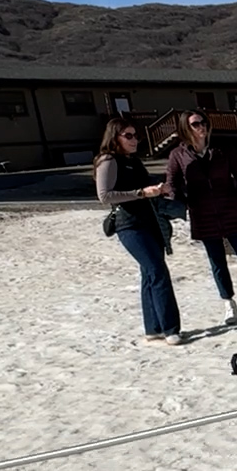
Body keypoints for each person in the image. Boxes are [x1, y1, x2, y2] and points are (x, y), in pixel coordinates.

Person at [164, 110, 237, 326]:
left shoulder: (223, 149)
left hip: (230, 211)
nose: (201, 127)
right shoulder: (178, 155)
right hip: (203, 216)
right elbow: (172, 183)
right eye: (195, 124)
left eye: (203, 122)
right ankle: (229, 303)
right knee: (217, 262)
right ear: (185, 128)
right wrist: (186, 203)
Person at [95, 117, 182, 345]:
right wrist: (141, 193)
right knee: (157, 271)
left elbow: (145, 186)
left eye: (136, 135)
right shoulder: (108, 160)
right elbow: (105, 196)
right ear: (115, 137)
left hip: (150, 222)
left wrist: (160, 189)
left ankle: (153, 328)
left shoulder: (133, 161)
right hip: (129, 225)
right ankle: (171, 329)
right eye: (128, 136)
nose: (134, 140)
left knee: (149, 273)